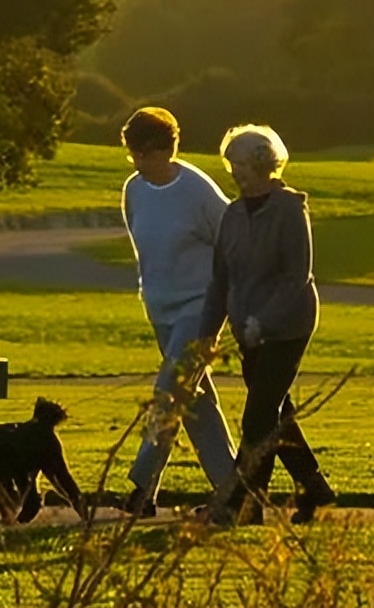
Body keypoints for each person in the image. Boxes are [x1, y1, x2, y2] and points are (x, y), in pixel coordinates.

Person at [198, 124, 335, 526]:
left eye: (241, 164)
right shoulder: (234, 215)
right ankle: (314, 488)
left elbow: (297, 277)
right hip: (248, 330)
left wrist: (265, 320)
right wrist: (210, 333)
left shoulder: (290, 209)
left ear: (263, 164)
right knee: (275, 415)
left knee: (257, 418)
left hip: (288, 325)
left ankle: (237, 504)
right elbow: (221, 280)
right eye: (231, 164)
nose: (235, 172)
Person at [119, 107, 238, 517]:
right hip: (160, 309)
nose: (139, 164)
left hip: (200, 308)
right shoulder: (133, 189)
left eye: (146, 155)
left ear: (168, 150)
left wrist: (223, 304)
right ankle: (233, 491)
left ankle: (140, 487)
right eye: (133, 155)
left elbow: (231, 241)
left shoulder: (198, 191)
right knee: (196, 403)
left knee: (169, 394)